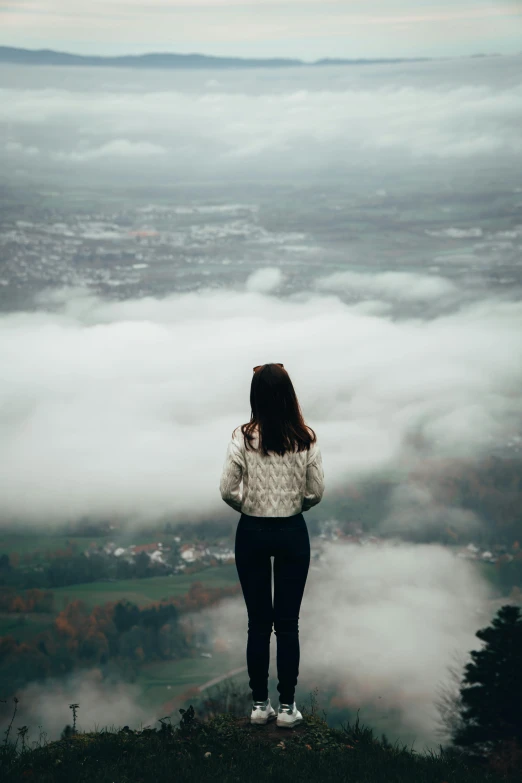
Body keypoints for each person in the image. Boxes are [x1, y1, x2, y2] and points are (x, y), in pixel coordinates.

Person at [219, 362, 325, 728]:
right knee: (288, 624)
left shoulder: (243, 437)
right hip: (292, 532)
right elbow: (316, 491)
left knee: (258, 623)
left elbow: (226, 489)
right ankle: (287, 708)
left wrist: (250, 506)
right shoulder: (306, 437)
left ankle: (259, 705)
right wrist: (295, 506)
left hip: (251, 533)